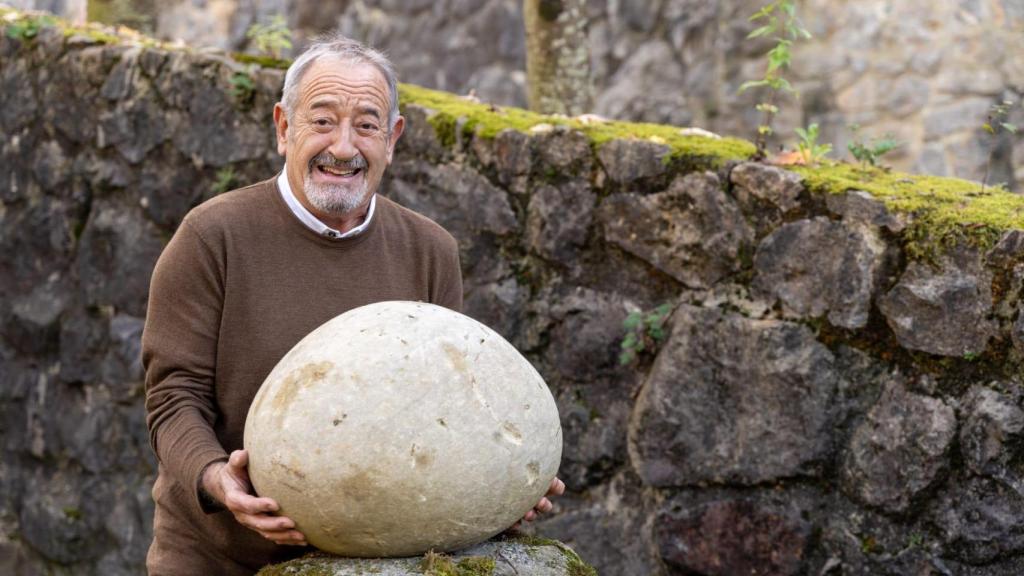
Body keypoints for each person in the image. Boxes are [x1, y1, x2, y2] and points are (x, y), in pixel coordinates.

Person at [142, 34, 564, 576]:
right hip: (223, 560)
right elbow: (173, 399)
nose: (343, 148)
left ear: (392, 138)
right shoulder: (211, 237)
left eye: (365, 125)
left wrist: (497, 483)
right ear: (283, 127)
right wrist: (218, 479)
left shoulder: (430, 251)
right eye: (322, 121)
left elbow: (448, 407)